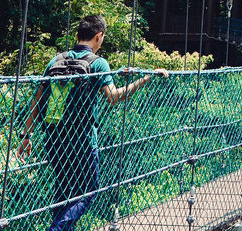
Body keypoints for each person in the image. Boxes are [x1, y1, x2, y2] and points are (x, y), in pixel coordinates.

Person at [17, 15, 169, 231]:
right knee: (88, 191)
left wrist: (26, 136)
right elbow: (114, 97)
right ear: (99, 36)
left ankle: (59, 228)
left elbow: (36, 100)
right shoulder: (98, 63)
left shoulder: (55, 61)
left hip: (54, 140)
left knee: (63, 193)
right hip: (82, 142)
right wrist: (146, 78)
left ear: (77, 36)